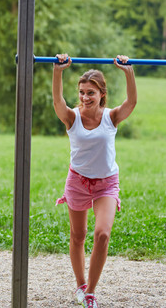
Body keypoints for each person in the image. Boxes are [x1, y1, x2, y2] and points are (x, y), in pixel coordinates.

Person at [52, 54, 137, 308]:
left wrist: (128, 71)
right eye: (81, 93)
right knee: (78, 236)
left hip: (106, 183)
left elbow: (131, 101)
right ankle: (80, 285)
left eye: (90, 93)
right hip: (77, 181)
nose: (85, 98)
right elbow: (57, 100)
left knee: (102, 234)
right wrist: (58, 71)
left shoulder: (111, 117)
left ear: (102, 94)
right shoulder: (71, 117)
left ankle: (90, 291)